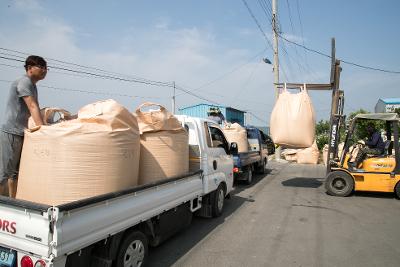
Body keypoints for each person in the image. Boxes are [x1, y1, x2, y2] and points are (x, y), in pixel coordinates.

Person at [0, 55, 46, 198]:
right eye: (41, 67)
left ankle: (12, 202)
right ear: (30, 68)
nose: (45, 70)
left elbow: (35, 108)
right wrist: (43, 129)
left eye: (46, 68)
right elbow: (32, 106)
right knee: (4, 172)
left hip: (21, 132)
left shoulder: (32, 85)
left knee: (15, 173)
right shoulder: (24, 82)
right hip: (12, 131)